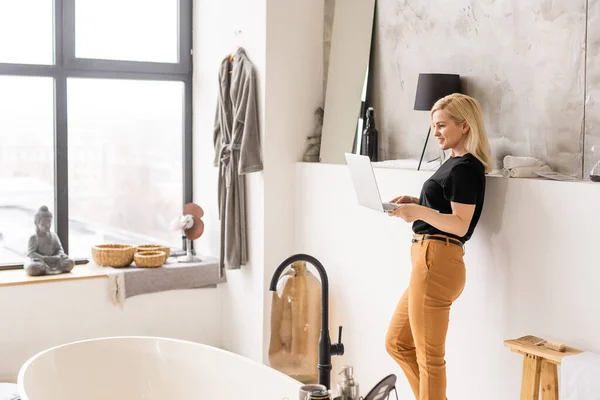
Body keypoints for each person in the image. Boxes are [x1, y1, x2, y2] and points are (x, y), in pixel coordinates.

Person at [385, 93, 492, 400]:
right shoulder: (454, 164)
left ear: (465, 126)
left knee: (429, 360)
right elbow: (445, 208)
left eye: (442, 125)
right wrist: (417, 202)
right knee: (396, 342)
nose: (436, 133)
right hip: (426, 260)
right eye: (434, 126)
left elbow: (460, 223)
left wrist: (418, 212)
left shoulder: (466, 168)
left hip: (438, 260)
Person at [24, 206, 75, 276]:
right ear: (36, 224)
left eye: (49, 223)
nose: (47, 226)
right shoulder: (34, 238)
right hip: (41, 261)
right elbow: (31, 253)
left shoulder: (54, 236)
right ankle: (44, 269)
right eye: (43, 224)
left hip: (55, 260)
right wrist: (43, 258)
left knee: (70, 262)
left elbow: (59, 249)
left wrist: (58, 256)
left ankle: (47, 269)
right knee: (32, 268)